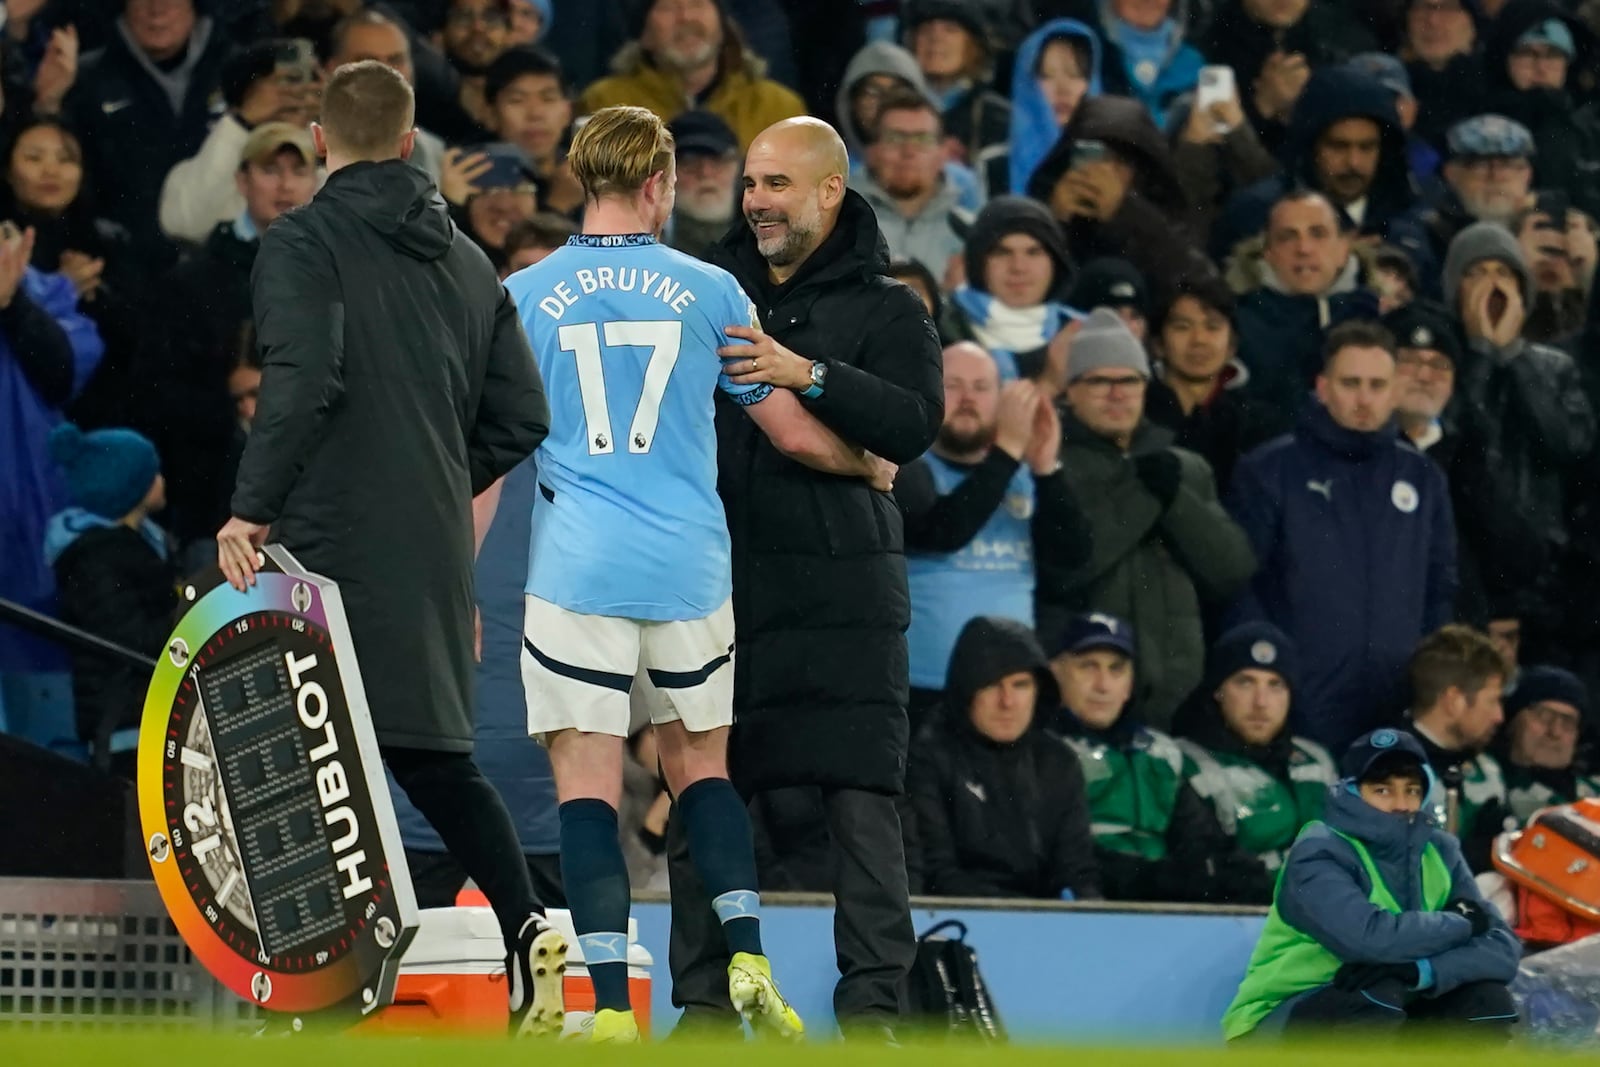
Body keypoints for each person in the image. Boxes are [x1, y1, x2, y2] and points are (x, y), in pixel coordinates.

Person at [506, 103, 879, 1044]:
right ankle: (747, 951)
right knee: (702, 768)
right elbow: (788, 428)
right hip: (689, 567)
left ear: (581, 180)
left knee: (587, 788)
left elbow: (487, 454)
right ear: (659, 184)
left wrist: (455, 585)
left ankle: (602, 1006)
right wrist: (865, 462)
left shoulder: (520, 295)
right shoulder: (712, 290)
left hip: (576, 568)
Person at [213, 60, 563, 1038]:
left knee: (304, 759)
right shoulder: (462, 260)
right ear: (412, 145)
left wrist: (252, 508)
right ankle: (527, 916)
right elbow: (522, 414)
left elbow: (301, 376)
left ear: (322, 141)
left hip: (323, 546)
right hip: (430, 548)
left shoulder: (303, 240)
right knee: (434, 758)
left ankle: (314, 988)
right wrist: (436, 481)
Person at [670, 115, 944, 1041]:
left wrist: (808, 372)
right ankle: (702, 1008)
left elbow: (913, 424)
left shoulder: (889, 309)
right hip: (725, 582)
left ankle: (872, 1014)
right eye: (752, 184)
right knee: (704, 794)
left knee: (862, 804)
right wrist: (850, 454)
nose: (757, 202)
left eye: (779, 184)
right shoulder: (706, 298)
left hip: (845, 598)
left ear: (832, 189)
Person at [1228, 321, 1457, 753]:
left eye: (1377, 385)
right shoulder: (1269, 470)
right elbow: (1243, 586)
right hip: (1300, 703)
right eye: (1350, 383)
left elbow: (1440, 588)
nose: (1364, 399)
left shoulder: (1423, 478)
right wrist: (1271, 681)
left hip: (1395, 704)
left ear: (1394, 390)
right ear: (1322, 386)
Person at [1222, 729, 1520, 1040]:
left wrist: (1421, 971)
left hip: (1394, 1006)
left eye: (1412, 790)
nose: (1401, 804)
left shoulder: (1440, 850)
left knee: (1487, 1000)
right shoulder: (1319, 850)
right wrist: (1462, 924)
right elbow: (1370, 939)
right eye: (1382, 790)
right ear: (1350, 791)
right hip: (1280, 1018)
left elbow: (1502, 948)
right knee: (1374, 995)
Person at [899, 341, 1090, 725]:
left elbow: (1073, 560)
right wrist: (1006, 451)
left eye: (982, 387)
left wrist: (1046, 469)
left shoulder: (1021, 473)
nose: (968, 398)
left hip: (1010, 694)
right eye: (952, 384)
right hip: (921, 690)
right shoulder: (904, 468)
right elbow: (943, 531)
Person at [905, 616, 1101, 901]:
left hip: (1047, 925)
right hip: (963, 919)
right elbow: (938, 873)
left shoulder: (1058, 761)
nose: (1008, 702)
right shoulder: (929, 758)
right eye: (992, 684)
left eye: (1020, 685)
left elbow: (1077, 870)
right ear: (967, 690)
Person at [42, 422, 174, 776]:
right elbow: (129, 639)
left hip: (149, 714)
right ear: (130, 489)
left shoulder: (144, 545)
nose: (162, 479)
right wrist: (192, 615)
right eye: (153, 473)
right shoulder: (94, 562)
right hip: (126, 727)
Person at [1174, 623, 1337, 872]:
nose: (1261, 702)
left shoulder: (1317, 760)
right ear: (1218, 691)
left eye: (1275, 685)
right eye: (1245, 683)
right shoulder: (1186, 762)